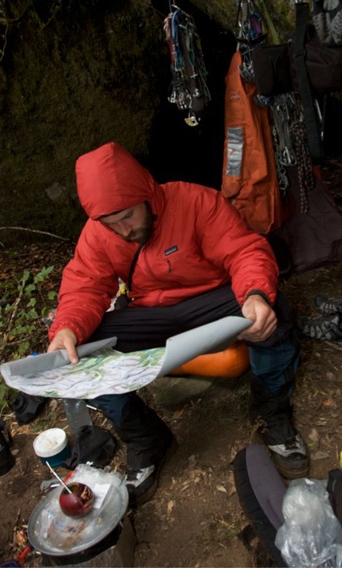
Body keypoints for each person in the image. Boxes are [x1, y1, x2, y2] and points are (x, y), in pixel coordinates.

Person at [48, 141, 309, 507]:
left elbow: (243, 250)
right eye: (111, 224)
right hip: (152, 313)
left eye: (127, 217)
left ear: (146, 195)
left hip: (210, 300)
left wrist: (254, 295)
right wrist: (68, 327)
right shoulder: (99, 233)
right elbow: (85, 284)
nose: (122, 231)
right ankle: (146, 437)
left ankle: (271, 409)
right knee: (77, 355)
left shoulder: (194, 202)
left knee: (273, 310)